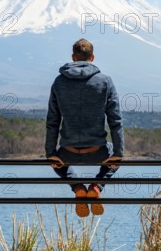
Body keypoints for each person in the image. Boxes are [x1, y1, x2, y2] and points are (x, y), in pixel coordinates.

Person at [45, 38, 124, 217]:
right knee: (116, 154)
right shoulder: (105, 82)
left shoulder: (59, 82)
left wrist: (50, 153)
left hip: (67, 152)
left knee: (54, 158)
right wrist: (119, 152)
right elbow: (115, 120)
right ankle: (97, 186)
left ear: (73, 57)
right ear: (93, 57)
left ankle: (77, 186)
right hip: (98, 151)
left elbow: (52, 121)